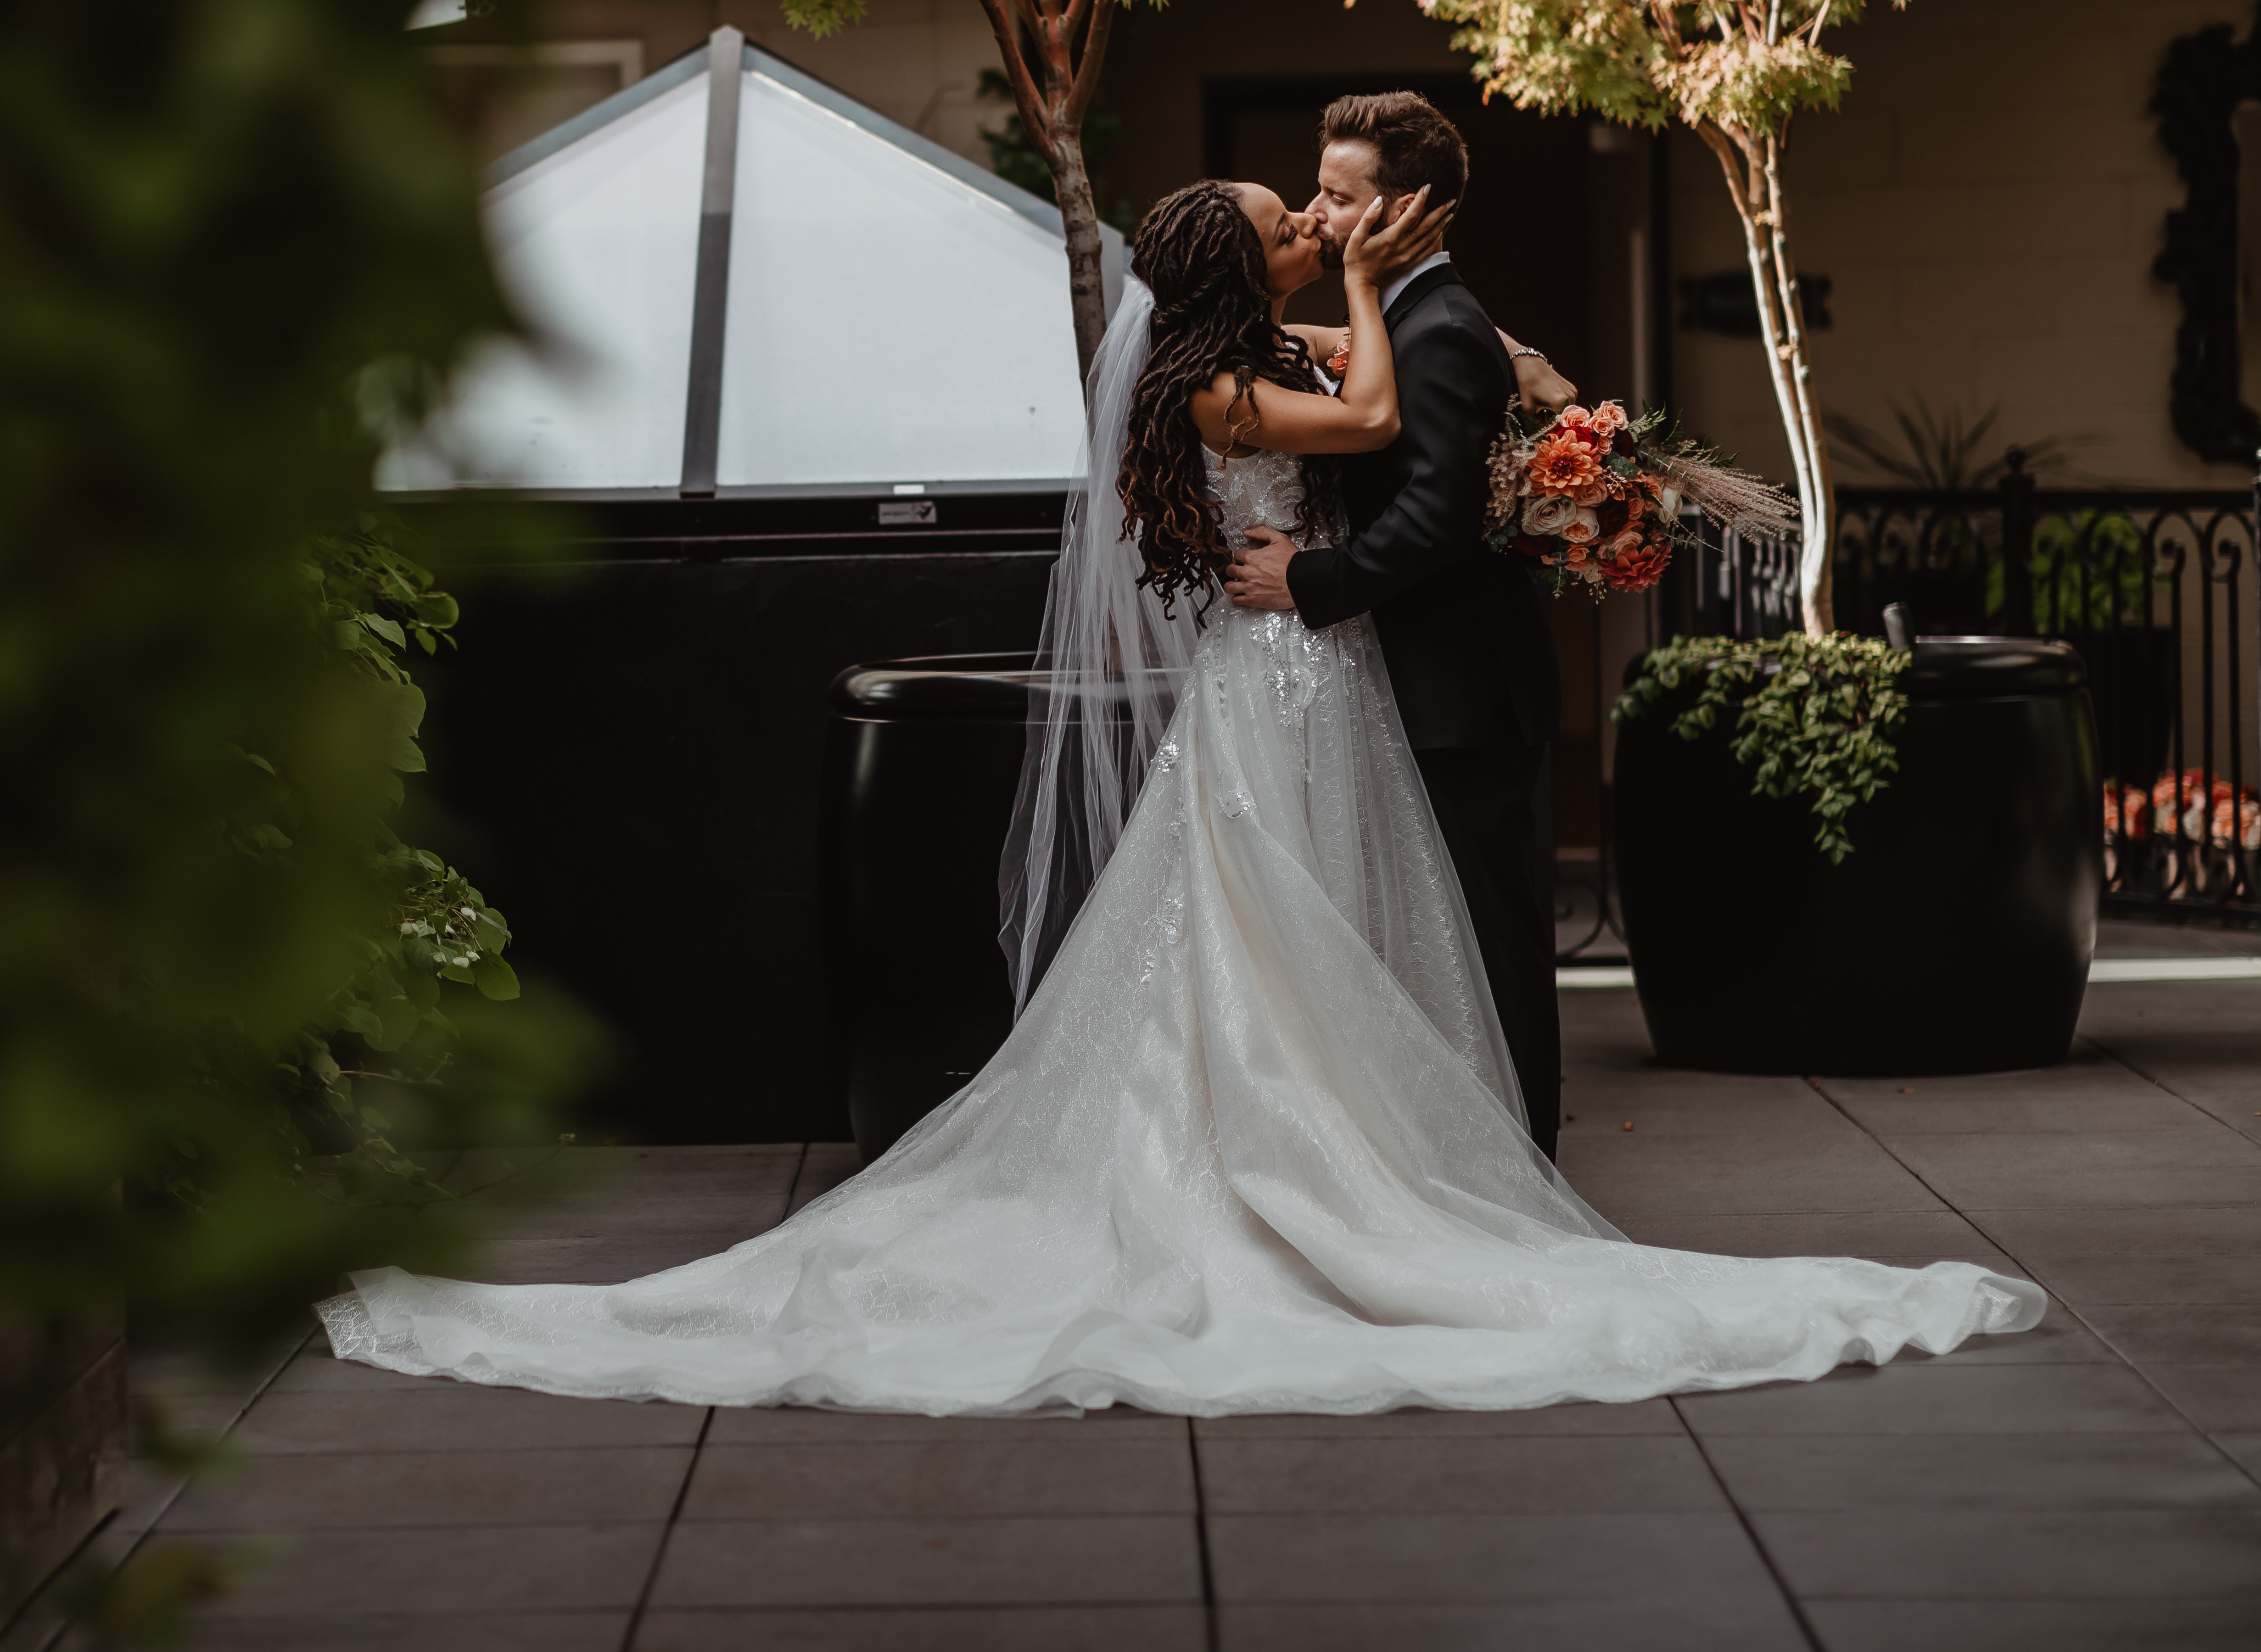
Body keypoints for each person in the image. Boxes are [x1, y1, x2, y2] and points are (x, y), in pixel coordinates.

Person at [314, 177, 2041, 1419]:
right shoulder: (1223, 378)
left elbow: (1385, 386)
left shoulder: (1225, 351)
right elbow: (1362, 416)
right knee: (1263, 910)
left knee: (1290, 911)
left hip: (1292, 671)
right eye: (1287, 218)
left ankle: (1317, 1136)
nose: (1312, 217)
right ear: (1242, 269)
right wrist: (1382, 284)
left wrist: (1484, 352)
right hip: (1278, 681)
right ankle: (1288, 1170)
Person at [1227, 92, 1570, 1155]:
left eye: (1339, 196)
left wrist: (1313, 581)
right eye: (1318, 192)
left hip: (1460, 693)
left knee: (1494, 943)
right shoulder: (1408, 318)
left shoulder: (1441, 331)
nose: (1318, 215)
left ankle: (1529, 1169)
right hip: (1417, 685)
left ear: (1405, 209)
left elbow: (1437, 517)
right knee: (1441, 944)